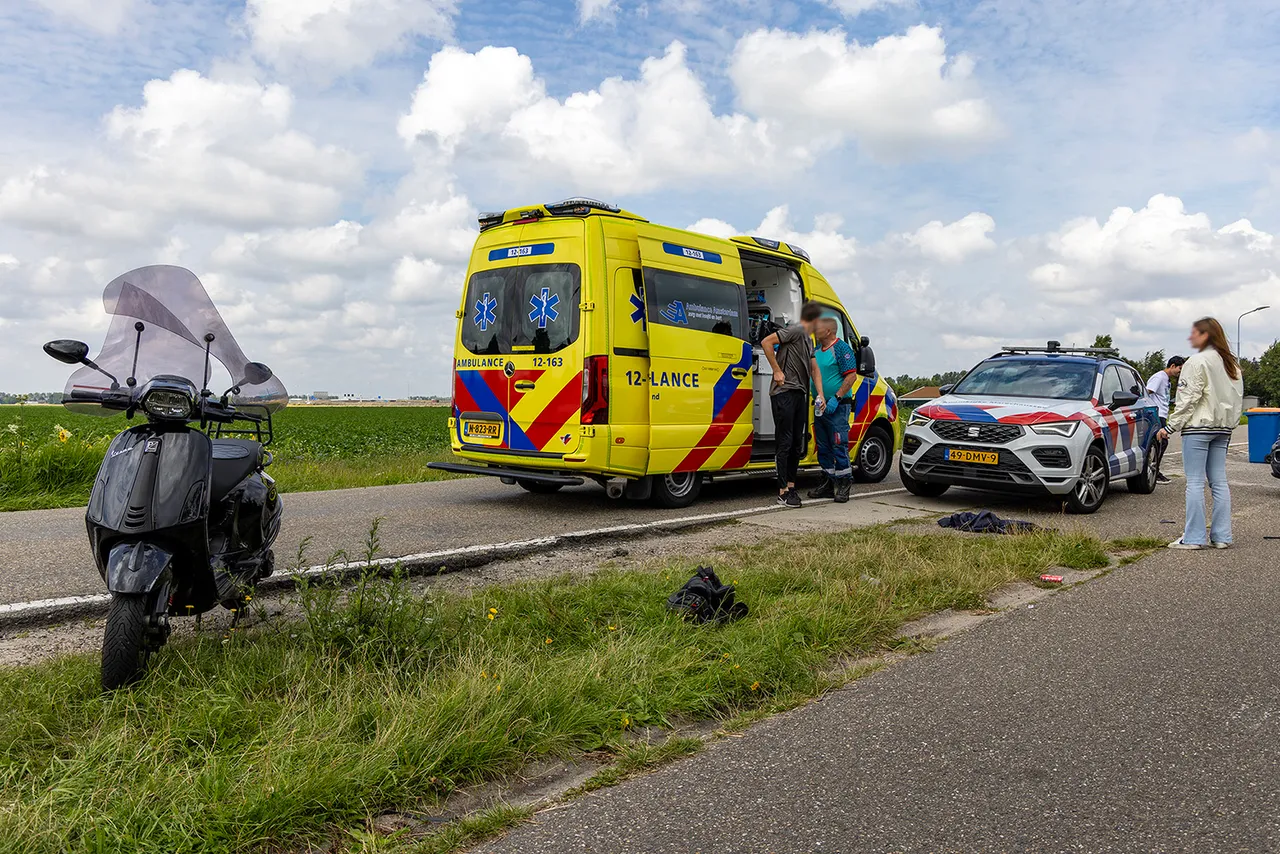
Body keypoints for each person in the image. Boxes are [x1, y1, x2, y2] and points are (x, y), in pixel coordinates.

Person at [1156, 318, 1244, 550]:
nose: (1190, 337)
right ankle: (1222, 536)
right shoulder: (1232, 365)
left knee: (1194, 482)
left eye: (1194, 333)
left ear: (1205, 335)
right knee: (1219, 481)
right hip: (1223, 428)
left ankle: (1194, 538)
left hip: (1198, 427)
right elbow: (1237, 399)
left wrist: (1170, 427)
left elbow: (1188, 399)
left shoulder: (1196, 362)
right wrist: (1230, 424)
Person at [761, 301, 825, 508]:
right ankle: (782, 492)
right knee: (785, 441)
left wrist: (820, 394)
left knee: (797, 443)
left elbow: (814, 369)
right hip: (784, 391)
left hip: (799, 393)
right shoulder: (795, 330)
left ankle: (791, 486)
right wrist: (777, 370)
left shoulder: (808, 339)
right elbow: (766, 342)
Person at [806, 316, 859, 503]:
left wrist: (836, 398)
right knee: (823, 446)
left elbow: (851, 376)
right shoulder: (816, 351)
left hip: (837, 406)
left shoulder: (841, 348)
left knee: (838, 444)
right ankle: (828, 482)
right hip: (820, 406)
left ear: (828, 331)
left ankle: (844, 482)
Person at [1145, 355, 1185, 484]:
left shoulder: (1166, 379)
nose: (1180, 372)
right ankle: (1153, 471)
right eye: (1179, 369)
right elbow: (1147, 392)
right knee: (1160, 443)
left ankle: (1155, 469)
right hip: (1157, 414)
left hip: (1163, 414)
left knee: (1162, 443)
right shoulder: (1159, 377)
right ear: (1172, 366)